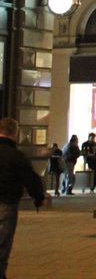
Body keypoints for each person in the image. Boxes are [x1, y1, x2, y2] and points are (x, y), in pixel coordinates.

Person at [0, 118, 47, 277]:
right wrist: (38, 197)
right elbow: (30, 178)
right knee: (2, 244)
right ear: (14, 133)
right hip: (7, 203)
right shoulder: (16, 155)